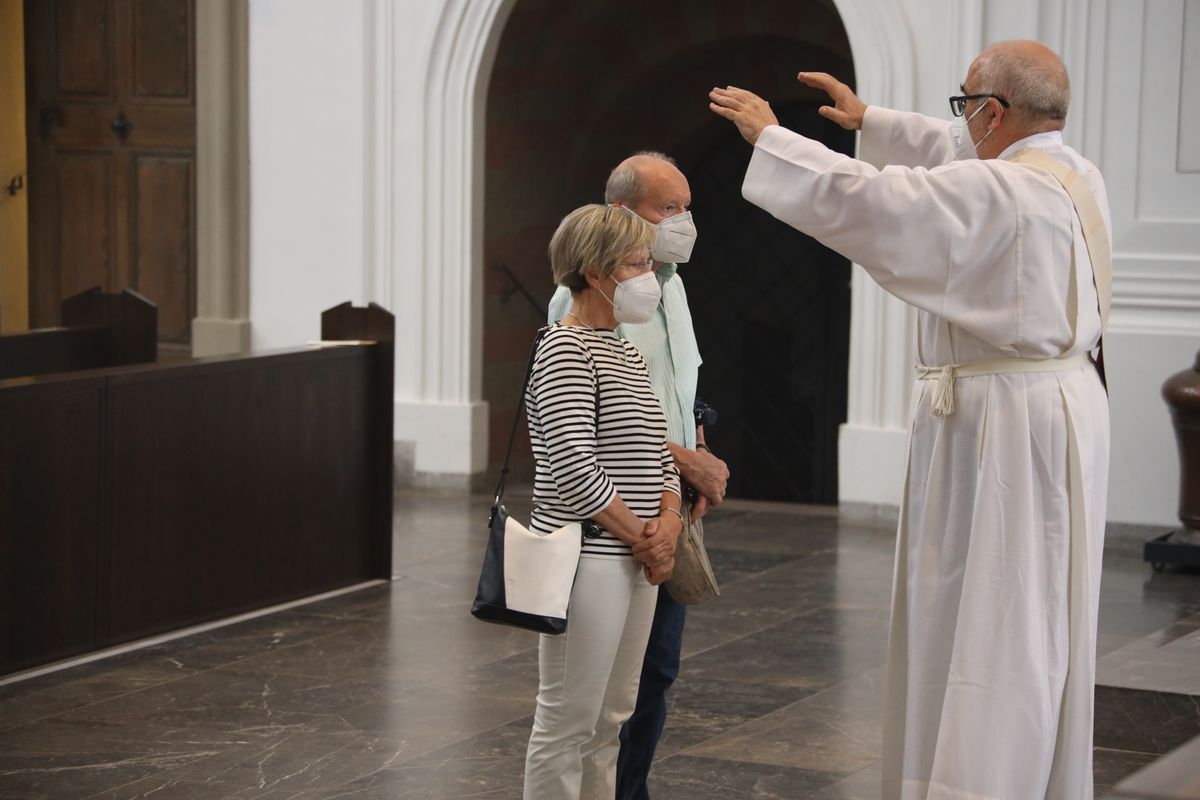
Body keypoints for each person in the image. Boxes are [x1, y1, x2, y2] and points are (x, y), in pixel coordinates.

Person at [709, 40, 1111, 800]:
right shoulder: (1071, 171)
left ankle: (982, 781)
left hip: (1005, 429)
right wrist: (875, 119)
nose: (954, 120)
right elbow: (956, 148)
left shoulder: (1004, 194)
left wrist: (775, 140)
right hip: (1056, 408)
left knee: (995, 615)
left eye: (964, 103)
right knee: (1031, 610)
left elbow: (881, 201)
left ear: (994, 113)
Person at [547, 152, 730, 800]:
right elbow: (577, 449)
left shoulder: (661, 294)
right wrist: (647, 530)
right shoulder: (574, 328)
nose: (683, 222)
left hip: (661, 510)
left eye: (687, 205)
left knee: (642, 684)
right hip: (607, 530)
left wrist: (689, 470)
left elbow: (673, 401)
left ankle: (629, 792)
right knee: (574, 712)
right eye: (667, 209)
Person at [524, 204, 684, 800]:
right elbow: (571, 466)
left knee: (612, 718)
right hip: (586, 555)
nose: (649, 277)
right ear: (595, 273)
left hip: (636, 557)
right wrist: (643, 536)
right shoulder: (565, 350)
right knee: (568, 719)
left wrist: (667, 524)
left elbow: (660, 456)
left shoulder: (624, 350)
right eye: (637, 264)